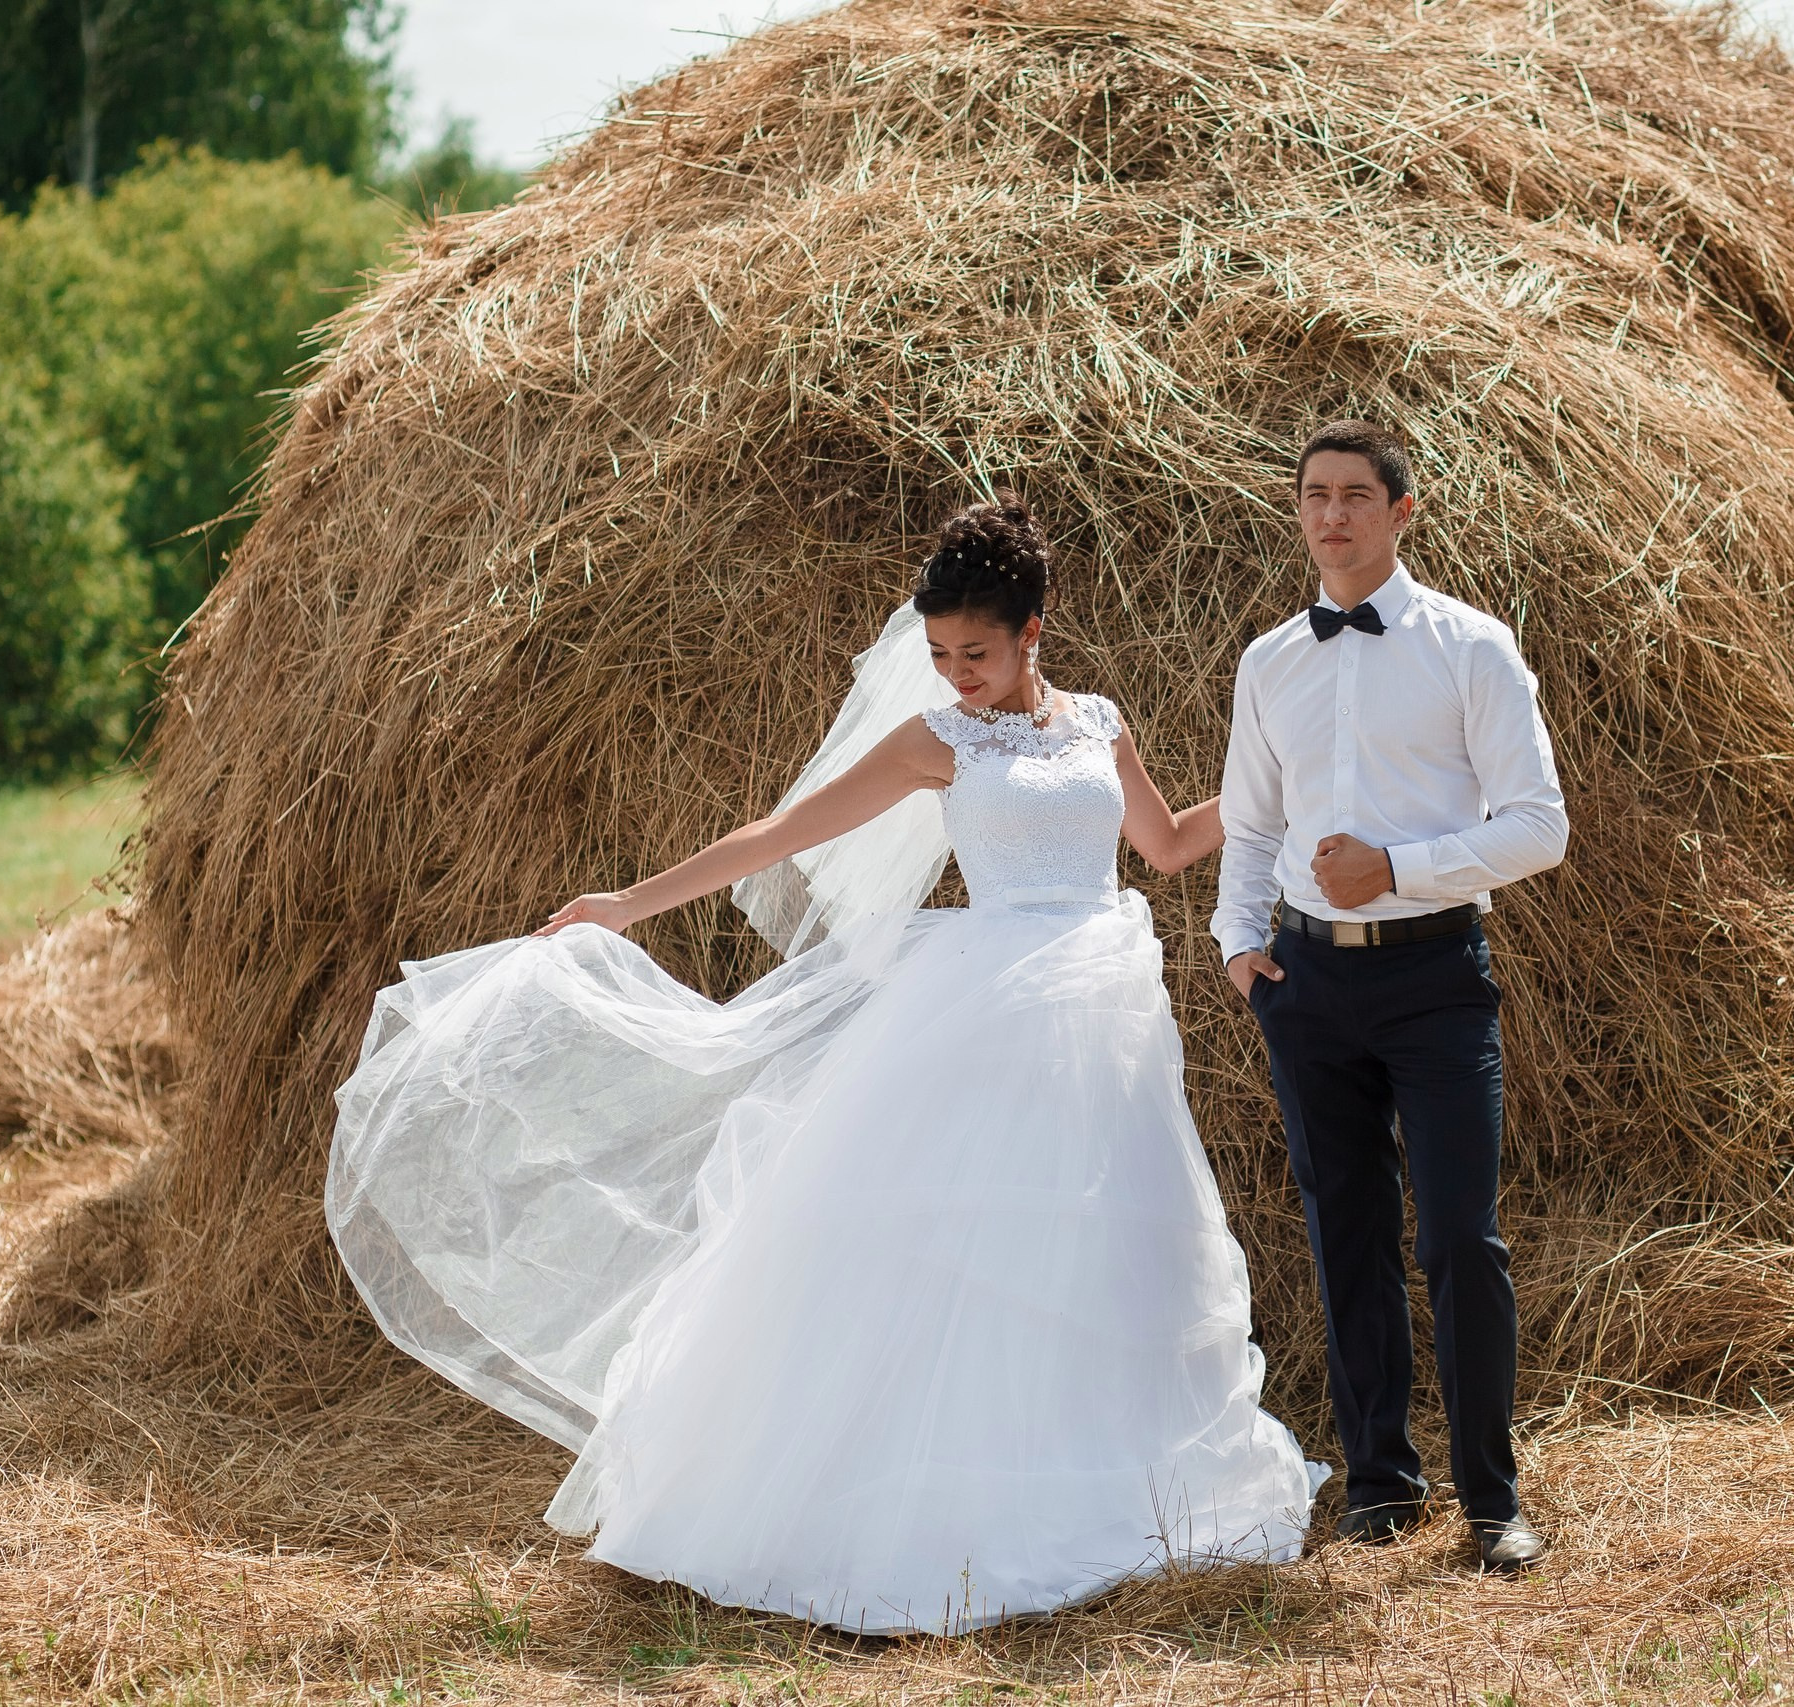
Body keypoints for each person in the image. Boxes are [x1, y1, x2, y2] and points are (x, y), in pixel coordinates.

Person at [327, 499, 1324, 1635]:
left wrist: (1281, 788)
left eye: (978, 655)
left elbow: (1169, 846)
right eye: (942, 654)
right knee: (962, 1248)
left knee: (1105, 1243)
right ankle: (936, 1506)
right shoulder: (937, 741)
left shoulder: (1099, 721)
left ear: (1033, 631)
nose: (956, 676)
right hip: (986, 1011)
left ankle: (1111, 1485)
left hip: (1103, 1009)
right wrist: (625, 903)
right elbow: (777, 835)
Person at [1215, 420, 1568, 1573]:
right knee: (1346, 1229)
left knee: (1461, 1236)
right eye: (1314, 495)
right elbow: (1251, 820)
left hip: (1433, 978)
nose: (1332, 516)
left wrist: (1399, 872)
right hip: (1306, 983)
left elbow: (1537, 828)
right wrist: (1237, 943)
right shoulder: (1269, 661)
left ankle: (1489, 1501)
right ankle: (1379, 1482)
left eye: (1356, 495)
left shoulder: (1471, 649)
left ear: (1401, 512)